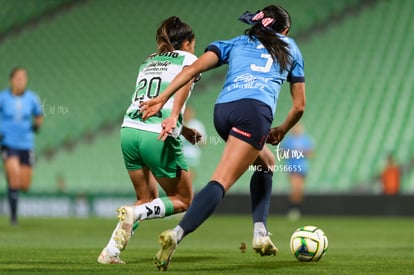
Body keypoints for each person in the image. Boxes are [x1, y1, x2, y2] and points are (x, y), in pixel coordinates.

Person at [141, 5, 306, 271]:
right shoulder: (291, 47)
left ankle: (261, 232)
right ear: (284, 30)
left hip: (223, 112)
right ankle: (177, 233)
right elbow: (299, 106)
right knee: (221, 180)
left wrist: (161, 98)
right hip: (254, 113)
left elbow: (192, 69)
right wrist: (281, 130)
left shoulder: (237, 42)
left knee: (265, 162)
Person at [97, 16, 202, 264]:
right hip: (157, 134)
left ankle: (110, 252)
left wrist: (183, 128)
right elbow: (185, 82)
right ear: (187, 43)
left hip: (129, 130)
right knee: (184, 199)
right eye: (193, 44)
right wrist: (175, 116)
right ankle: (133, 213)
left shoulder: (148, 62)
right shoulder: (189, 59)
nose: (194, 48)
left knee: (145, 198)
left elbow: (149, 98)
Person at [0, 67, 43, 226]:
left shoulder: (32, 98)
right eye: (18, 77)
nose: (20, 80)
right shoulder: (3, 98)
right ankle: (13, 218)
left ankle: (12, 178)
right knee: (14, 177)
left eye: (23, 78)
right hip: (8, 143)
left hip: (26, 144)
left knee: (24, 185)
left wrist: (37, 126)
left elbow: (39, 115)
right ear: (11, 80)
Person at [280, 122, 313, 220]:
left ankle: (297, 209)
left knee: (300, 189)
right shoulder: (288, 140)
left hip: (303, 167)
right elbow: (282, 153)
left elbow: (311, 153)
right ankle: (294, 209)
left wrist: (301, 152)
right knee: (295, 187)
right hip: (292, 167)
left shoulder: (306, 139)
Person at [181, 106, 206, 184]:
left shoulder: (197, 125)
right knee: (179, 176)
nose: (187, 114)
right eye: (185, 112)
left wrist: (192, 138)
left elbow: (203, 142)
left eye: (189, 112)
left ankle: (189, 193)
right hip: (178, 155)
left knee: (189, 176)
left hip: (192, 156)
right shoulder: (176, 123)